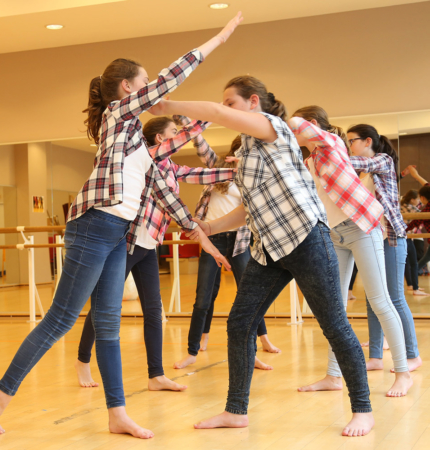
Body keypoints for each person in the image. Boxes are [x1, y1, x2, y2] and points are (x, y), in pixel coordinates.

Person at [0, 12, 244, 438]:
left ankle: (117, 412)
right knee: (61, 318)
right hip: (93, 226)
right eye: (143, 85)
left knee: (107, 322)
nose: (149, 93)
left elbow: (164, 192)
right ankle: (0, 393)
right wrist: (218, 39)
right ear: (128, 88)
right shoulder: (118, 116)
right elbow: (168, 80)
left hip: (117, 234)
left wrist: (204, 237)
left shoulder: (138, 143)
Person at [150, 75, 375, 436]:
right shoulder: (248, 156)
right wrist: (210, 227)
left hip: (306, 239)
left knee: (334, 324)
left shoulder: (275, 129)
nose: (225, 108)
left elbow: (212, 112)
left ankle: (363, 408)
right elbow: (249, 209)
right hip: (268, 249)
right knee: (240, 324)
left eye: (231, 102)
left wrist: (168, 107)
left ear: (254, 102)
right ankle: (236, 410)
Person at [75, 115, 238, 390]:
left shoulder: (172, 168)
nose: (178, 135)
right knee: (103, 306)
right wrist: (212, 115)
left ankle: (156, 375)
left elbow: (203, 175)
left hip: (148, 244)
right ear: (161, 139)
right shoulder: (146, 158)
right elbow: (183, 142)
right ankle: (82, 360)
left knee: (153, 310)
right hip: (126, 243)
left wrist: (239, 171)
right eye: (173, 132)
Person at [287, 107, 411, 398]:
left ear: (312, 126)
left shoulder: (332, 144)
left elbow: (295, 123)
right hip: (335, 234)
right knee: (335, 308)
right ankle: (333, 375)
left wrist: (278, 122)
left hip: (361, 228)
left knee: (380, 301)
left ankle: (403, 373)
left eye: (296, 130)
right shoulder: (309, 161)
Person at [172, 130, 280, 371]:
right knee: (203, 298)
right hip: (213, 240)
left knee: (248, 297)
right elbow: (203, 150)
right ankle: (193, 350)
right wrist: (190, 128)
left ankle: (260, 343)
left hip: (240, 241)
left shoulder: (254, 175)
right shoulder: (220, 168)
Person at [347, 124, 422, 374]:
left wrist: (333, 152)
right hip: (370, 239)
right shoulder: (360, 174)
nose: (349, 146)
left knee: (395, 297)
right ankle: (376, 356)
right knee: (372, 298)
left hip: (391, 238)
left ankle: (413, 355)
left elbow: (361, 163)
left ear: (368, 141)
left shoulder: (383, 161)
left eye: (352, 141)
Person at [401, 189, 429, 296]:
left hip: (404, 237)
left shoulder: (401, 206)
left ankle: (411, 285)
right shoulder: (411, 208)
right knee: (413, 262)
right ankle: (415, 288)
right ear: (412, 199)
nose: (419, 201)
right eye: (417, 199)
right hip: (406, 237)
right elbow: (421, 217)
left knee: (408, 263)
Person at [406, 167, 430, 274]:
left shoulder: (426, 211)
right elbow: (427, 186)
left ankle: (411, 275)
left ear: (423, 198)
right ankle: (412, 275)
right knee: (425, 259)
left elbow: (414, 223)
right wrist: (416, 176)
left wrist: (402, 230)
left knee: (424, 259)